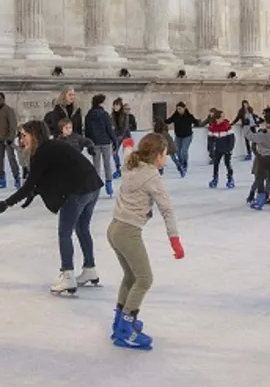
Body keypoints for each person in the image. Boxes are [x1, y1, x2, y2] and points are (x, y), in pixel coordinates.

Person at [0, 119, 104, 295]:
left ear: (34, 135)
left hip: (79, 190)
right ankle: (89, 268)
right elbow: (49, 176)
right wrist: (34, 194)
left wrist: (6, 203)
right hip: (92, 186)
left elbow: (28, 185)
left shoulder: (42, 152)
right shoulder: (52, 146)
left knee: (64, 232)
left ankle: (68, 275)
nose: (21, 139)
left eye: (24, 135)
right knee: (82, 228)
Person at [107, 133, 184, 350]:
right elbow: (167, 210)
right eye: (166, 154)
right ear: (158, 155)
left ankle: (119, 321)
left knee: (131, 276)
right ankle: (126, 329)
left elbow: (128, 150)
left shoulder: (131, 163)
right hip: (128, 232)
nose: (167, 158)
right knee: (145, 279)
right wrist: (175, 240)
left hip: (114, 229)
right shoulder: (152, 177)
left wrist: (128, 143)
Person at [245, 109, 270, 210]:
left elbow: (249, 136)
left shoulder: (263, 134)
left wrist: (246, 126)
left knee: (260, 178)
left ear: (269, 123)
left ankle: (261, 199)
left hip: (264, 158)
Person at [86, 94, 118, 196]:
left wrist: (88, 143)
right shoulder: (104, 114)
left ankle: (96, 187)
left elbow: (87, 131)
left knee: (96, 166)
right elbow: (109, 129)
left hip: (94, 143)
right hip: (105, 142)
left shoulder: (89, 115)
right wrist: (114, 141)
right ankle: (109, 185)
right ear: (101, 103)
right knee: (107, 164)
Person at [0, 92, 21, 189]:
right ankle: (2, 180)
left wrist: (10, 138)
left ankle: (17, 178)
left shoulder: (9, 110)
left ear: (3, 99)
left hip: (7, 140)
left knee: (11, 159)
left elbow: (13, 125)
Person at [165, 101, 199, 177]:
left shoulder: (189, 116)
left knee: (184, 150)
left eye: (180, 109)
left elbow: (196, 122)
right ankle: (181, 163)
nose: (178, 110)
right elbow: (168, 121)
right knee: (177, 151)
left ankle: (184, 164)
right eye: (177, 109)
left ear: (184, 108)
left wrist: (198, 123)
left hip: (187, 136)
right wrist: (161, 122)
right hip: (178, 136)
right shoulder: (175, 116)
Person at [206, 110, 236, 189]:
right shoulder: (212, 127)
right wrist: (210, 149)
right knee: (216, 163)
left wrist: (230, 148)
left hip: (226, 148)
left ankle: (230, 178)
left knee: (227, 163)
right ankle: (215, 179)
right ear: (217, 119)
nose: (223, 118)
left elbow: (232, 138)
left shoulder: (227, 125)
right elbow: (210, 139)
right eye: (222, 117)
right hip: (218, 148)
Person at [110, 97, 135, 179]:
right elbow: (111, 127)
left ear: (120, 106)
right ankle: (118, 169)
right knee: (114, 153)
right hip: (116, 137)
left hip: (125, 136)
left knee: (127, 154)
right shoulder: (112, 115)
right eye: (114, 105)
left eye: (117, 105)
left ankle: (131, 169)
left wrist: (120, 136)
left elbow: (125, 128)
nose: (116, 107)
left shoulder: (125, 116)